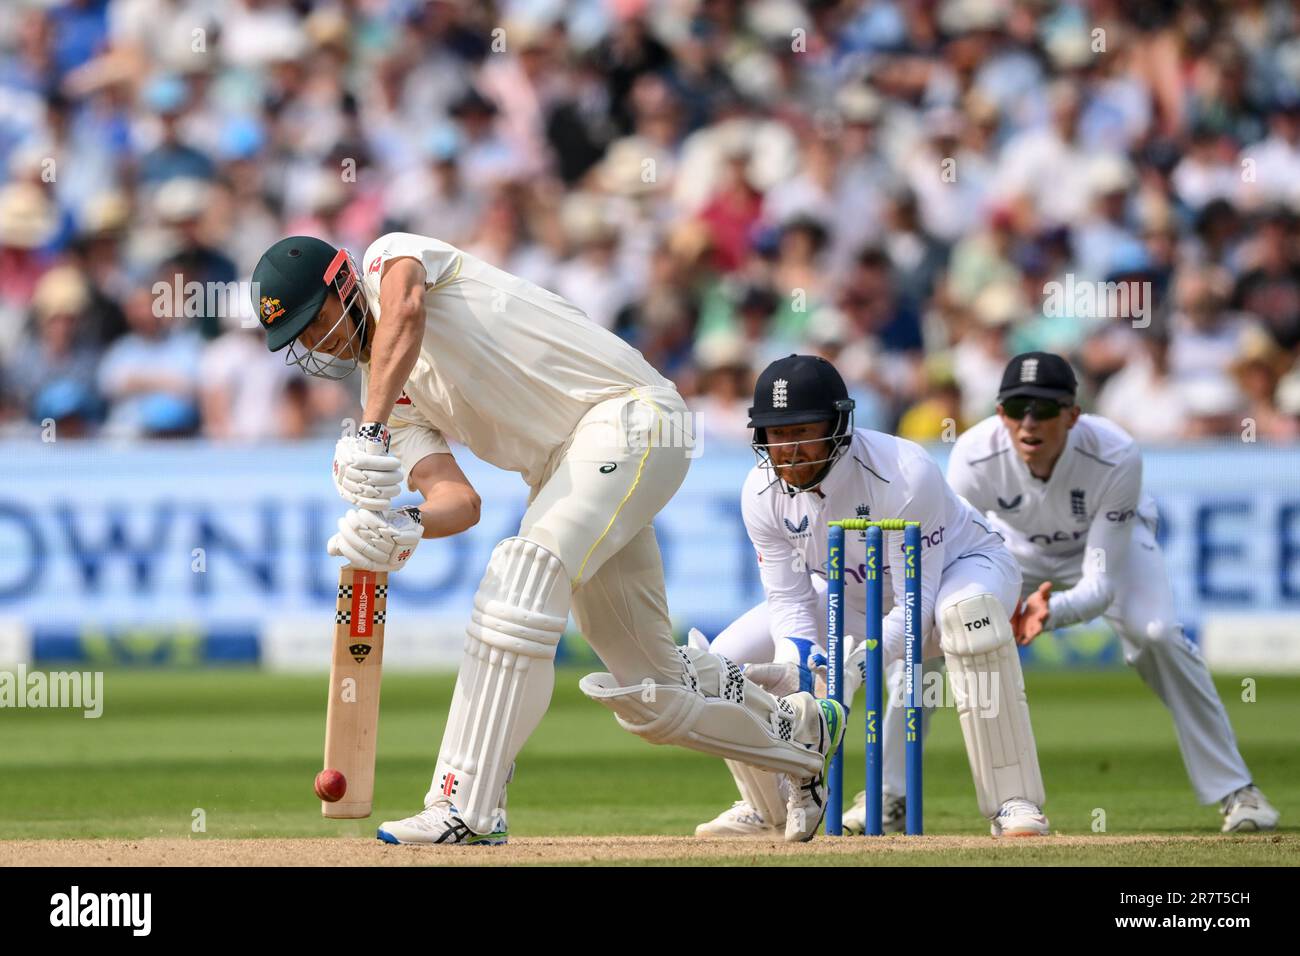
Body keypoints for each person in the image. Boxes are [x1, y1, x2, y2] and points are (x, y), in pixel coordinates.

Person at [249, 233, 846, 845]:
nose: (314, 344)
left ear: (343, 284)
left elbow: (405, 309)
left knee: (521, 577)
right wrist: (404, 525)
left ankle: (467, 809)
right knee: (655, 694)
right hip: (566, 468)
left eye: (313, 322)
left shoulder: (389, 260)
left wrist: (368, 431)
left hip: (629, 415)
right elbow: (459, 501)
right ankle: (801, 734)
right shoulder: (390, 398)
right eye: (298, 339)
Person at [693, 353, 1049, 838]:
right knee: (725, 659)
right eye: (776, 434)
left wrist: (853, 668)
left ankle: (1015, 802)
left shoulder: (902, 472)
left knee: (963, 618)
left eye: (802, 431)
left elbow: (916, 610)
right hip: (855, 597)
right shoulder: (760, 492)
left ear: (839, 424)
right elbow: (791, 605)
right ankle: (771, 807)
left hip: (963, 570)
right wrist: (802, 670)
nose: (789, 450)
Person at [948, 351, 1280, 832]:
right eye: (1015, 407)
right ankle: (889, 795)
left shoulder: (1115, 452)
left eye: (1043, 409)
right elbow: (955, 553)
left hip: (1105, 547)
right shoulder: (974, 456)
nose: (1027, 422)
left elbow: (1100, 583)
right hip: (1013, 551)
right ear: (999, 412)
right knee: (931, 629)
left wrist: (1052, 612)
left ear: (1072, 413)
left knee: (1158, 634)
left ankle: (1238, 792)